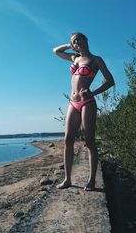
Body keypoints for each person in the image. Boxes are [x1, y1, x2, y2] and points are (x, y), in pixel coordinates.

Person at [53, 32, 115, 191]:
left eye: (79, 39)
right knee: (68, 139)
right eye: (74, 41)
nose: (77, 42)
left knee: (89, 141)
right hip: (73, 102)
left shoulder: (96, 60)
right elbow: (56, 51)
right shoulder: (75, 58)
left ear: (86, 40)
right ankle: (67, 179)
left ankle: (92, 181)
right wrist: (69, 45)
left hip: (87, 102)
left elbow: (110, 81)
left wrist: (93, 93)